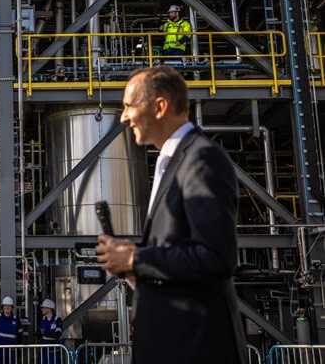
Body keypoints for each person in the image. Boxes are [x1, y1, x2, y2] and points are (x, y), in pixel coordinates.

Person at [95, 65, 246, 364]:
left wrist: (136, 258)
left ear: (160, 106)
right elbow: (179, 260)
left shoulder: (201, 158)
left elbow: (214, 257)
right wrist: (133, 269)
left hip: (193, 349)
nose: (124, 116)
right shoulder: (171, 162)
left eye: (129, 106)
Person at [0, 296, 25, 364]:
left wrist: (18, 347)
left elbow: (20, 334)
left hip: (11, 350)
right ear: (2, 307)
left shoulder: (16, 320)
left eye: (9, 306)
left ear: (12, 307)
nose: (7, 307)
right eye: (5, 305)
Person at [35, 299, 64, 364]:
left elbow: (58, 334)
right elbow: (38, 333)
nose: (42, 309)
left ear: (49, 308)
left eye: (43, 308)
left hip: (54, 350)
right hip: (44, 349)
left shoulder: (57, 320)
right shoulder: (42, 320)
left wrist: (45, 333)